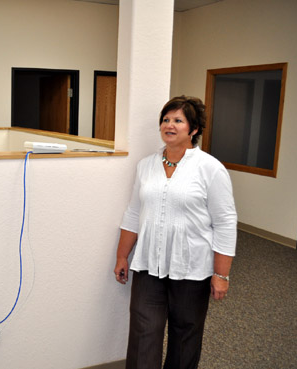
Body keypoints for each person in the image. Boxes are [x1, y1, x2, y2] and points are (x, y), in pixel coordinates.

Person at [114, 96, 237, 369]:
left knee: (185, 335)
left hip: (192, 267)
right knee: (143, 332)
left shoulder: (210, 169)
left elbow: (226, 223)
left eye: (178, 121)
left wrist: (221, 274)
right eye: (166, 120)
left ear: (193, 130)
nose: (169, 125)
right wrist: (123, 256)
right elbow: (134, 212)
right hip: (148, 265)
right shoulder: (146, 165)